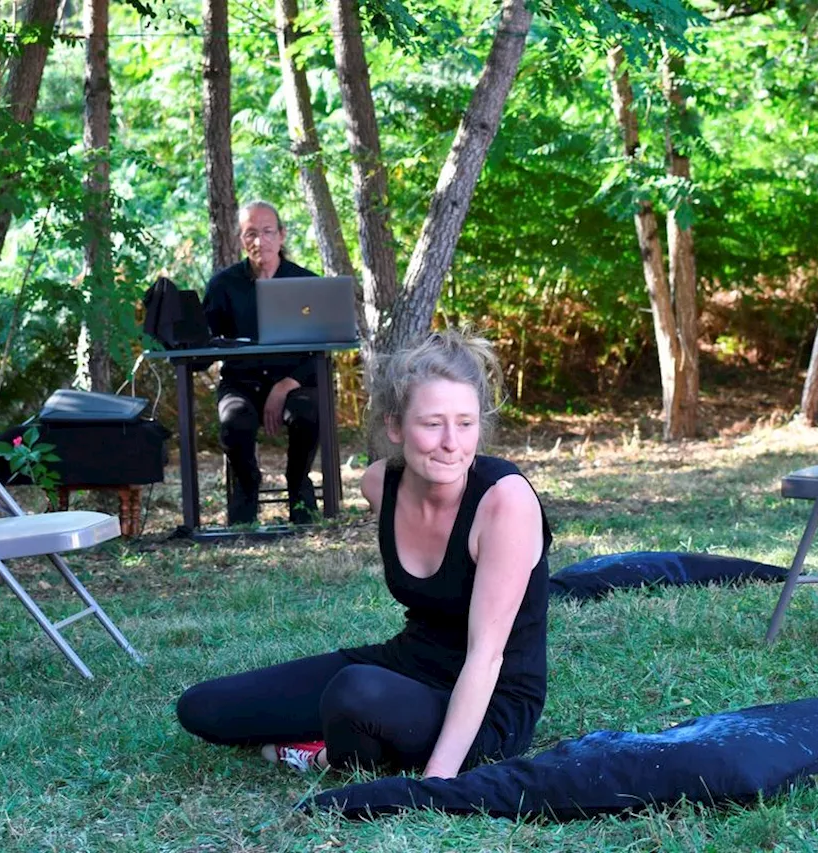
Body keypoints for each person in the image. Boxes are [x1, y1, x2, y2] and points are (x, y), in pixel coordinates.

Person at [176, 330, 551, 778]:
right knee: (204, 708)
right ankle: (358, 735)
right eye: (432, 424)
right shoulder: (379, 484)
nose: (452, 442)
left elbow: (486, 656)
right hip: (406, 667)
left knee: (356, 692)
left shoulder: (504, 502)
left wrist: (439, 780)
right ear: (395, 426)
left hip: (492, 705)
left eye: (466, 423)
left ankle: (326, 754)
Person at [204, 200, 321, 525]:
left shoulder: (307, 284)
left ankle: (298, 485)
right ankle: (247, 486)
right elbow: (202, 343)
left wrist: (285, 385)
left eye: (268, 232)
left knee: (309, 413)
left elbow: (321, 352)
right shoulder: (223, 286)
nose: (260, 241)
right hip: (242, 384)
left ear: (281, 235)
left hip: (294, 382)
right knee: (233, 422)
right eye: (251, 233)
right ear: (242, 239)